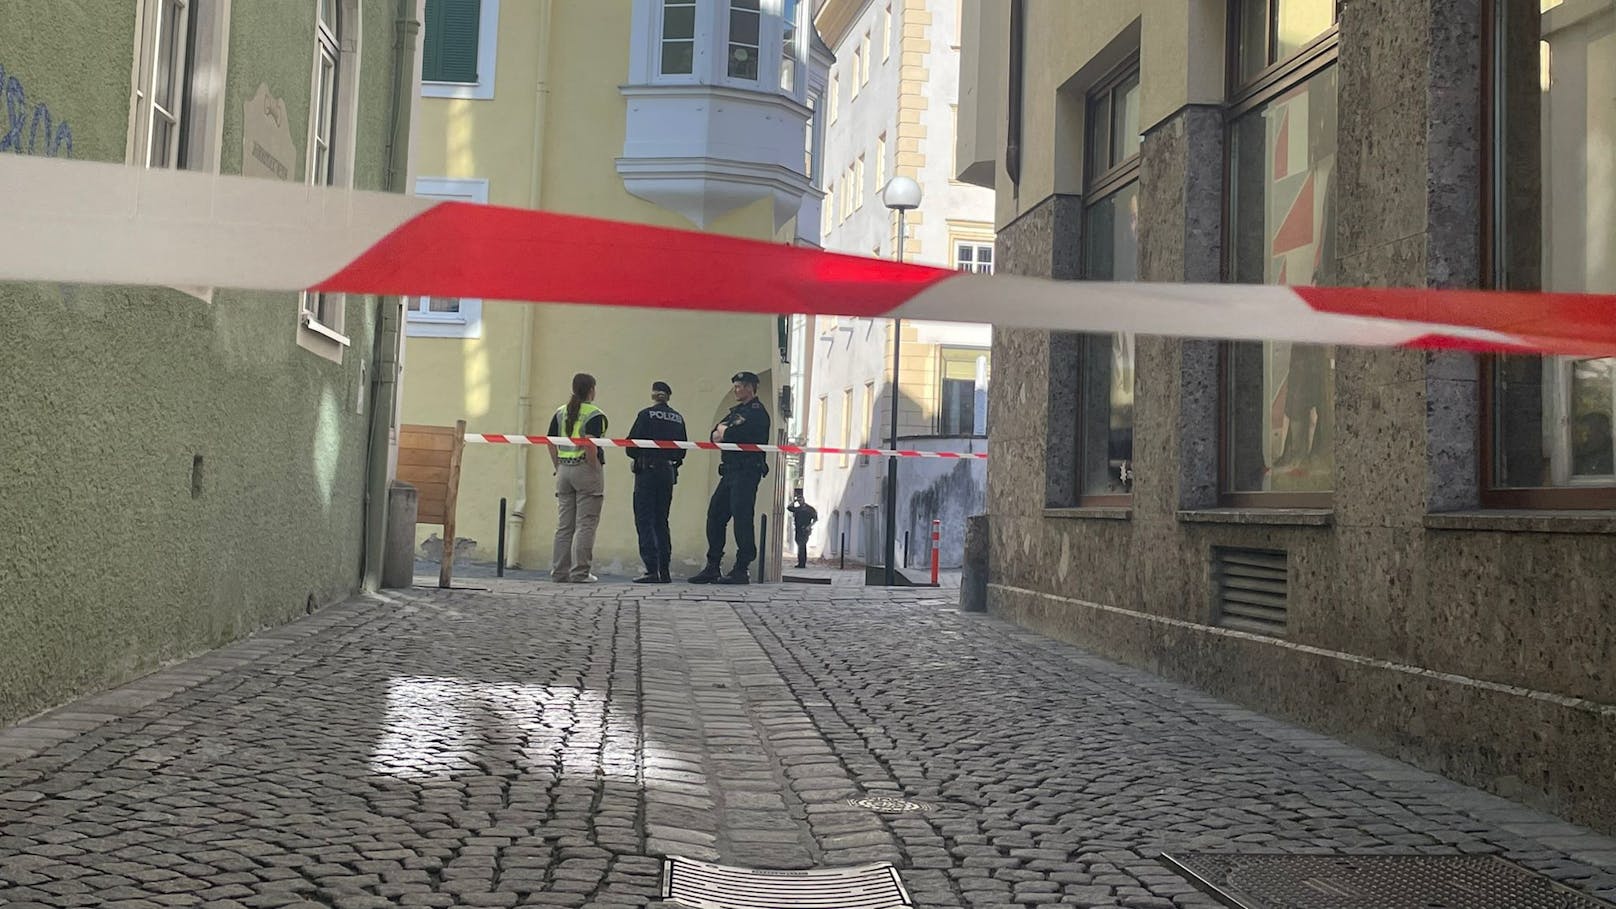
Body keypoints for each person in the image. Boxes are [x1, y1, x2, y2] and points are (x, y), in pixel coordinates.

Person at [689, 371, 772, 585]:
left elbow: (732, 435)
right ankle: (713, 566)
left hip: (746, 471)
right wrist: (723, 431)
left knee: (742, 518)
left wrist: (725, 432)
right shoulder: (734, 413)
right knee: (715, 515)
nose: (736, 390)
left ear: (751, 387)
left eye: (740, 386)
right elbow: (713, 435)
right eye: (735, 386)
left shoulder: (757, 413)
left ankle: (742, 568)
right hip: (729, 471)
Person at [547, 373, 608, 583]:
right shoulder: (594, 414)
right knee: (586, 524)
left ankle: (559, 572)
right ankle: (580, 572)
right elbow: (590, 444)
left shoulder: (560, 412)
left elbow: (550, 442)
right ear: (591, 389)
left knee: (564, 526)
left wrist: (558, 465)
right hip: (584, 469)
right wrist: (594, 467)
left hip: (564, 470)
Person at [627, 381, 688, 583]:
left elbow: (631, 445)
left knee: (645, 520)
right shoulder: (678, 418)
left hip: (647, 472)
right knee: (662, 520)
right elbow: (682, 451)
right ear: (668, 397)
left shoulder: (645, 415)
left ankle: (651, 569)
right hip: (667, 473)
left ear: (654, 395)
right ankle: (665, 569)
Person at [787, 490, 817, 569]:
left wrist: (809, 526)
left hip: (805, 529)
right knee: (799, 545)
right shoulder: (798, 509)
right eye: (798, 500)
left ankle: (802, 563)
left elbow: (815, 519)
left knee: (802, 545)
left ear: (803, 500)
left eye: (800, 500)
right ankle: (800, 562)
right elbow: (789, 507)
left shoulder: (809, 509)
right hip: (798, 529)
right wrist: (794, 501)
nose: (799, 501)